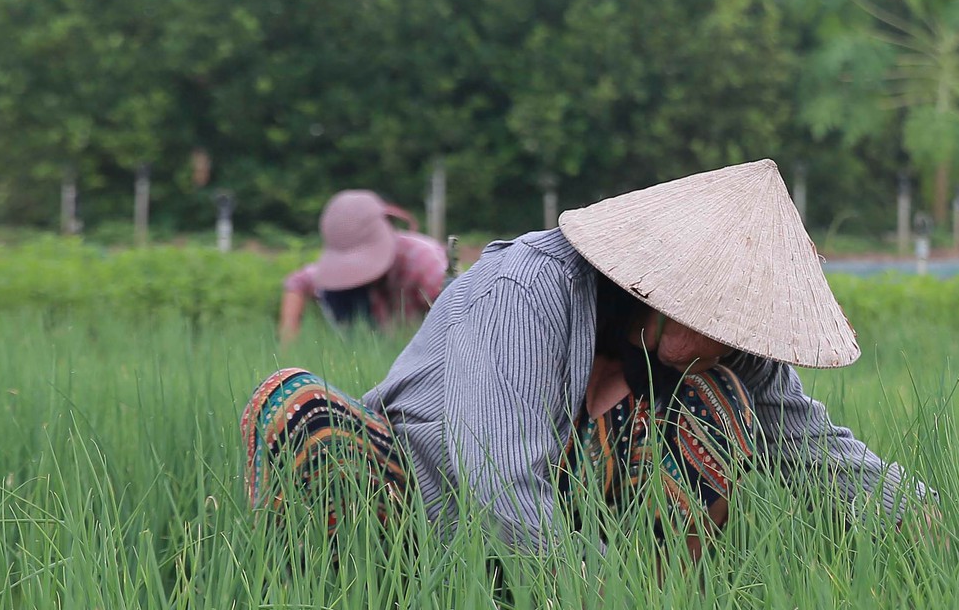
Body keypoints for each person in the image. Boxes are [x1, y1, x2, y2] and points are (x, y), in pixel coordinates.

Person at [244, 159, 924, 551]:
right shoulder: (527, 290)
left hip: (562, 553)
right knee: (294, 404)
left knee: (715, 404)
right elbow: (500, 483)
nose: (737, 343)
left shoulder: (731, 359)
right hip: (423, 509)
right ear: (667, 295)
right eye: (724, 320)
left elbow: (826, 459)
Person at [277, 190, 448, 344]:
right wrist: (287, 347)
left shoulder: (423, 260)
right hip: (374, 343)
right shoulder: (340, 276)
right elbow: (297, 283)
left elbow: (460, 313)